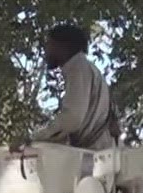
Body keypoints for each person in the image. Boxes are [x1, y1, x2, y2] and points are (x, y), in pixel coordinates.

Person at [15, 23, 119, 152]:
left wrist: (34, 138)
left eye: (49, 44)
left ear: (62, 46)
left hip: (93, 156)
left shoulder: (78, 68)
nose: (46, 50)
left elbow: (72, 119)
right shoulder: (85, 68)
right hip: (100, 152)